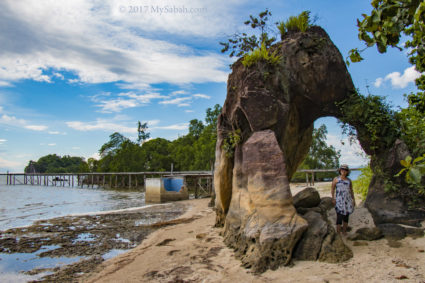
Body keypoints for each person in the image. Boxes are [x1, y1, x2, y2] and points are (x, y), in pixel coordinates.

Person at [331, 164, 355, 235]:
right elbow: (332, 189)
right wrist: (333, 198)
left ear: (347, 172)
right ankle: (338, 232)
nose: (343, 171)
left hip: (347, 201)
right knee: (339, 216)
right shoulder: (336, 179)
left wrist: (353, 200)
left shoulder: (349, 180)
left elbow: (351, 190)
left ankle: (344, 231)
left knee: (346, 216)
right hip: (339, 200)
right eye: (342, 170)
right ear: (340, 171)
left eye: (345, 170)